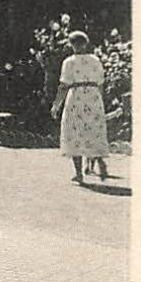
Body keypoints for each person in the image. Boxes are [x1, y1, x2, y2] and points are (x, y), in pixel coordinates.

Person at [52, 30, 109, 183]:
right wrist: (100, 101)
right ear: (86, 43)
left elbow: (63, 85)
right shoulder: (95, 60)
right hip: (93, 96)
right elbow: (101, 83)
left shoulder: (69, 62)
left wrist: (56, 104)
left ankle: (79, 173)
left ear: (72, 45)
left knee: (74, 131)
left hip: (76, 96)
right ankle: (97, 160)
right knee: (92, 129)